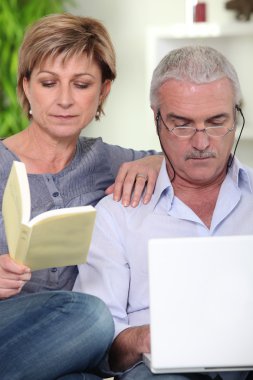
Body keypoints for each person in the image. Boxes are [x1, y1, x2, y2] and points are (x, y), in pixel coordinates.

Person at [74, 45, 253, 380]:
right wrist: (146, 338)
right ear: (156, 119)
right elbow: (98, 346)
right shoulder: (116, 216)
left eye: (216, 122)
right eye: (182, 125)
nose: (201, 143)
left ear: (236, 116)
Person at [0, 13, 163, 380]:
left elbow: (202, 158)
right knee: (93, 315)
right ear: (26, 87)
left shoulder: (109, 161)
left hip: (73, 351)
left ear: (103, 90)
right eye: (48, 83)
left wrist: (157, 160)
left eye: (82, 84)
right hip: (11, 330)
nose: (64, 100)